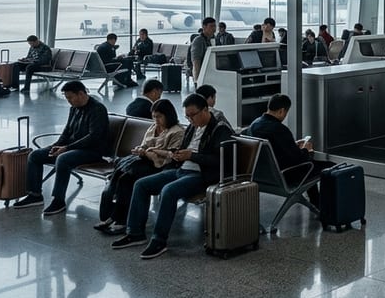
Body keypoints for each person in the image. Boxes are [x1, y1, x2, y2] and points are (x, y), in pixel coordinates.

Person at [111, 94, 234, 259]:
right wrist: (177, 155)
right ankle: (135, 233)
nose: (190, 119)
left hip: (201, 175)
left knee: (168, 191)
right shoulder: (193, 127)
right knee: (141, 184)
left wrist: (191, 156)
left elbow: (221, 160)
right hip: (182, 169)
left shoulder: (220, 129)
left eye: (193, 115)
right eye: (187, 116)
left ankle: (159, 240)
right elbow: (184, 149)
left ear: (205, 110)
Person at [12, 81, 109, 215]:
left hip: (92, 151)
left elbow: (93, 137)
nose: (69, 101)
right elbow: (67, 131)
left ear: (81, 94)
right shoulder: (74, 108)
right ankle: (35, 195)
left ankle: (58, 200)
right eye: (67, 98)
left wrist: (66, 148)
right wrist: (56, 145)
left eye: (70, 97)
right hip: (72, 148)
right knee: (35, 155)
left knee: (63, 159)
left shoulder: (98, 109)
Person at [95, 99, 185, 234]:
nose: (156, 120)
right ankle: (112, 216)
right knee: (120, 176)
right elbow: (144, 144)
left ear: (168, 115)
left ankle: (119, 219)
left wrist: (151, 151)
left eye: (159, 116)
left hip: (161, 166)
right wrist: (141, 149)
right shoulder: (153, 127)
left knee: (127, 179)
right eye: (154, 116)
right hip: (145, 161)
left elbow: (172, 154)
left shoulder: (177, 131)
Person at [246, 94, 333, 205]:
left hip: (261, 177)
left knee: (309, 166)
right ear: (282, 111)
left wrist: (293, 145)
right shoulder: (280, 129)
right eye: (286, 113)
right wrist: (307, 150)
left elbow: (274, 149)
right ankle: (327, 208)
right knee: (329, 167)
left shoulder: (254, 125)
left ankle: (317, 203)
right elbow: (299, 159)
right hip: (285, 177)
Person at [189, 17, 216, 81]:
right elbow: (196, 63)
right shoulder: (199, 41)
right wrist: (197, 81)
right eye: (211, 26)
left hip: (209, 74)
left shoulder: (211, 40)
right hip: (202, 75)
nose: (214, 29)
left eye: (215, 26)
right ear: (204, 27)